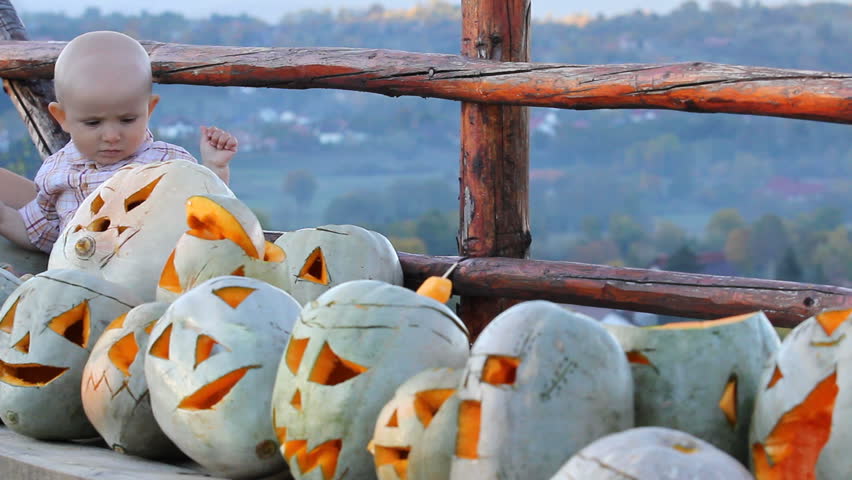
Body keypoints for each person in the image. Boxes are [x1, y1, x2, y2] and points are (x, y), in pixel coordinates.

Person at [0, 30, 238, 265]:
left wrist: (215, 168)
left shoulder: (168, 163)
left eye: (127, 120)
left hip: (152, 283)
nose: (112, 136)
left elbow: (206, 213)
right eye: (93, 123)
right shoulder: (56, 171)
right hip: (77, 284)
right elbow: (40, 233)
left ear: (149, 110)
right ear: (61, 117)